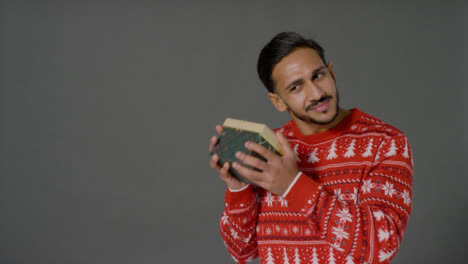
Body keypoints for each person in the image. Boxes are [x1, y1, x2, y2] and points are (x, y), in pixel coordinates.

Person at [208, 32, 413, 264]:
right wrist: (238, 189)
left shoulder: (386, 142)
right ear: (278, 101)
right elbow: (242, 252)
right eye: (296, 87)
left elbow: (382, 245)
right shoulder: (269, 150)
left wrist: (292, 186)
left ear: (332, 73)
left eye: (318, 75)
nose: (317, 93)